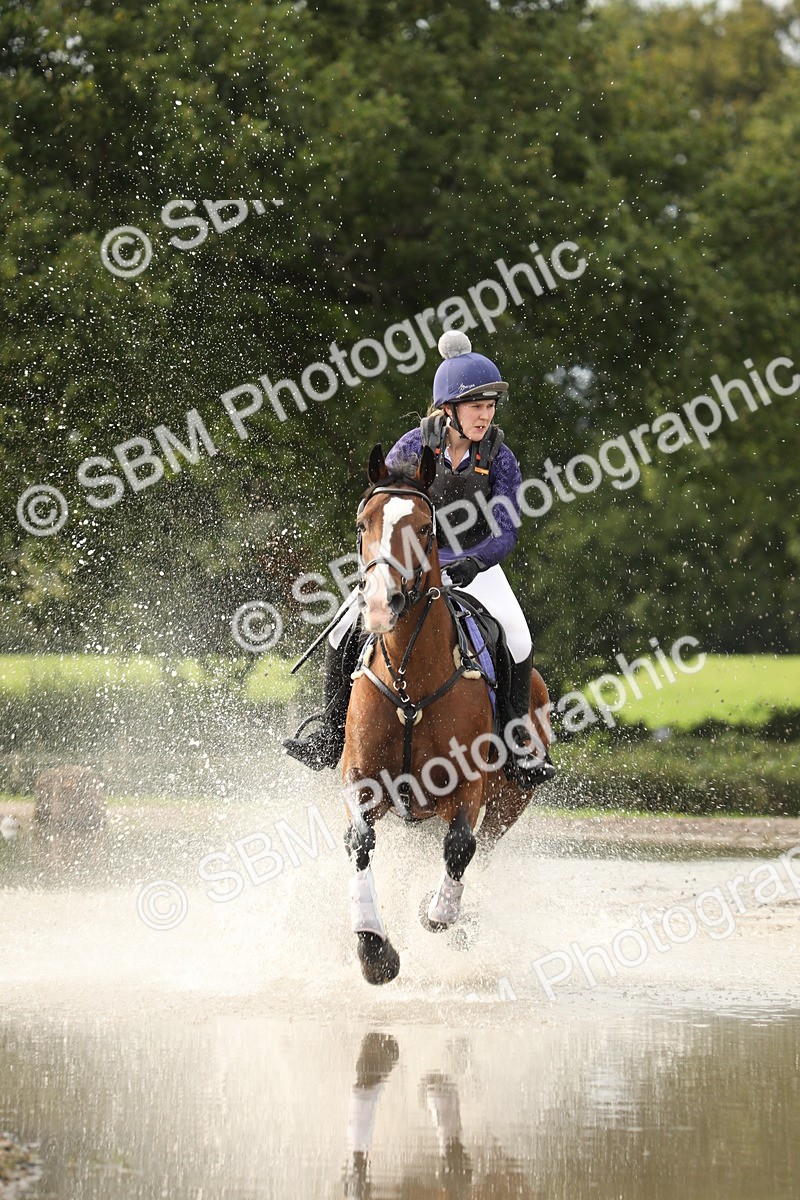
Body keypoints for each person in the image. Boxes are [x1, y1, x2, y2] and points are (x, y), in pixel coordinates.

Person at [283, 330, 555, 785]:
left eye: (489, 407)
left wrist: (471, 563)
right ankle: (329, 735)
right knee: (342, 632)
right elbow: (386, 506)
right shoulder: (412, 446)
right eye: (475, 407)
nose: (484, 416)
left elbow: (506, 530)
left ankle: (515, 746)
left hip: (475, 566)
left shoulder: (501, 458)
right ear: (448, 409)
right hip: (409, 565)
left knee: (518, 638)